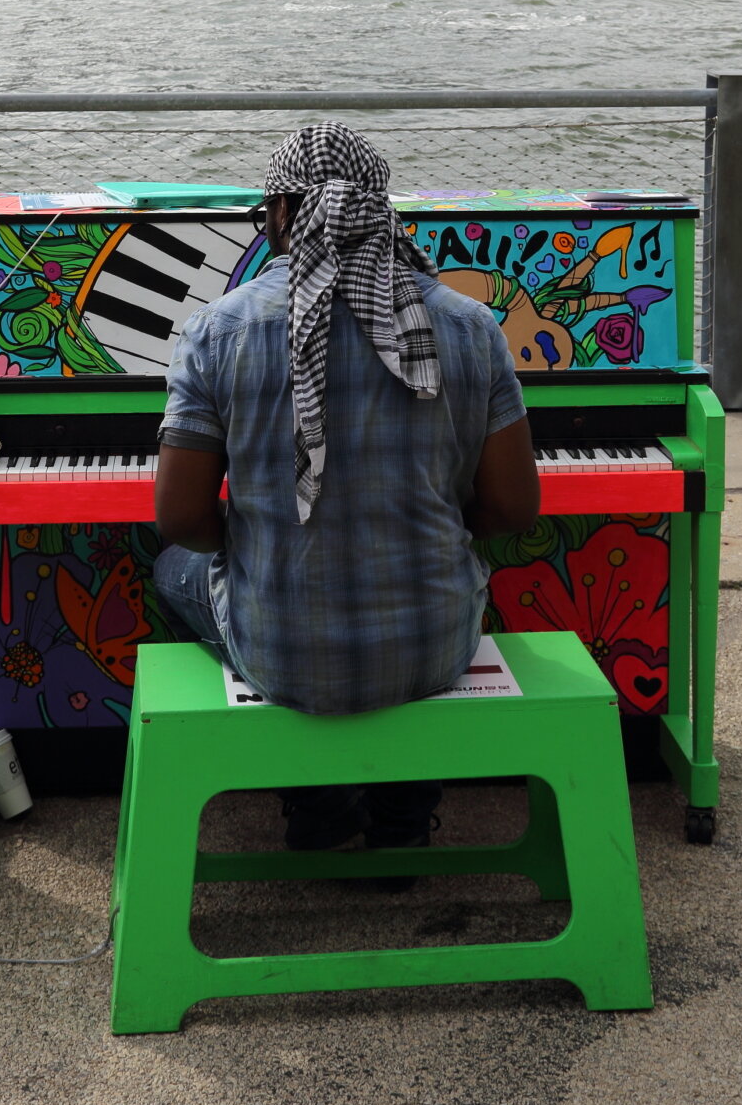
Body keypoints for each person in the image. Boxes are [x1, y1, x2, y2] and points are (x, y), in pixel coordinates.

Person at [153, 120, 540, 863]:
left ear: (274, 214)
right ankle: (402, 816)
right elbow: (514, 510)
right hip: (434, 646)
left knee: (171, 570)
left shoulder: (218, 330)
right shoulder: (469, 325)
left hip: (282, 654)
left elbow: (181, 520)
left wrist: (260, 529)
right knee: (439, 577)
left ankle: (316, 801)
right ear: (380, 209)